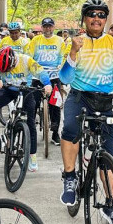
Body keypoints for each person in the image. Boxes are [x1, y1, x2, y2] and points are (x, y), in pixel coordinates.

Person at [58, 0, 113, 224]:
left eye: (101, 15)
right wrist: (72, 52)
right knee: (70, 129)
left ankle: (111, 205)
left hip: (105, 100)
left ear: (105, 20)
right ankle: (70, 177)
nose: (97, 19)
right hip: (79, 97)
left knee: (108, 157)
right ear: (85, 19)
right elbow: (65, 79)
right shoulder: (74, 42)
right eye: (92, 14)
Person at [0, 46, 51, 171]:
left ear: (14, 60)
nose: (7, 71)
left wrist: (47, 84)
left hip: (26, 91)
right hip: (8, 90)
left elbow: (41, 72)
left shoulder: (26, 60)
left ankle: (32, 155)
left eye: (8, 69)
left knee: (30, 122)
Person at [26, 17, 68, 145]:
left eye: (50, 26)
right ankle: (30, 132)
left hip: (54, 76)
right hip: (37, 76)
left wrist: (61, 68)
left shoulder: (60, 40)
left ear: (54, 27)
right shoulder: (35, 40)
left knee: (55, 105)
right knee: (32, 104)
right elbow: (29, 57)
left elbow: (62, 57)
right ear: (42, 28)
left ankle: (55, 134)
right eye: (45, 26)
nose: (48, 28)